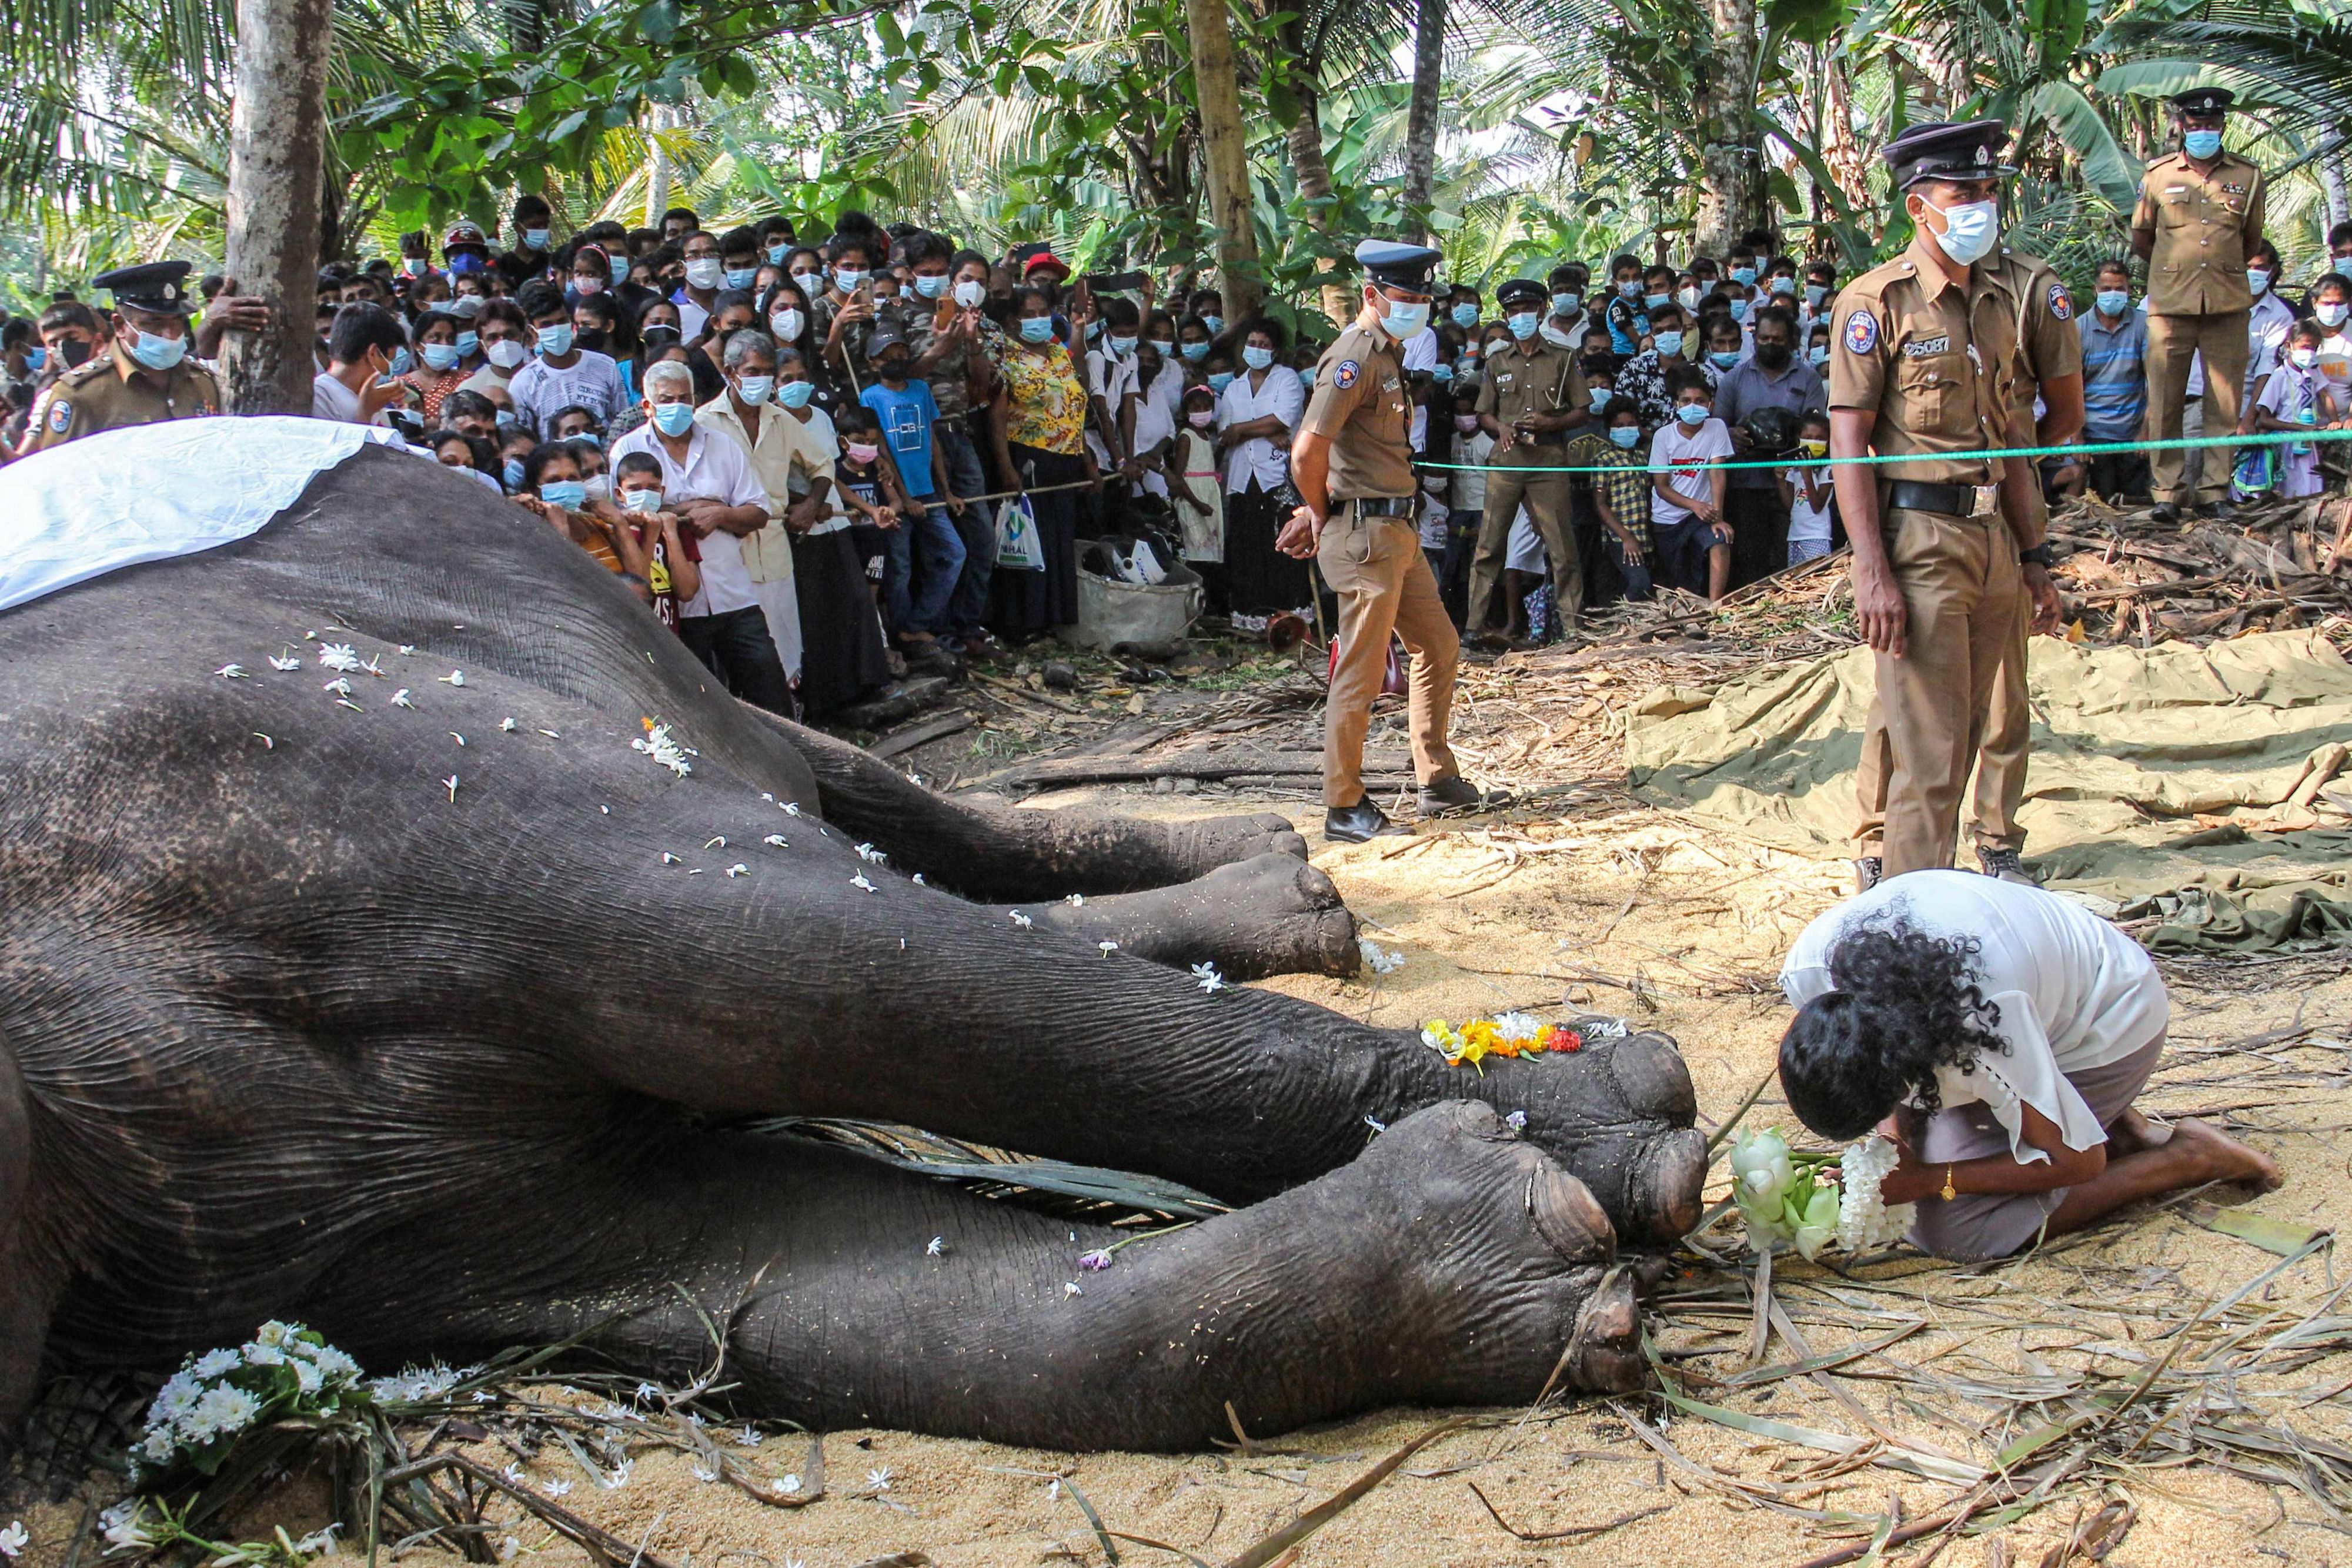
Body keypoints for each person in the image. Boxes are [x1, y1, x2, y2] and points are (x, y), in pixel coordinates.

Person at [1776, 873, 2281, 1261]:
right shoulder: (1809, 972)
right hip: (2031, 1005)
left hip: (2109, 1020)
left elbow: (2079, 1165)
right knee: (1929, 1152)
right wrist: (1896, 1142)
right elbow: (1877, 1054)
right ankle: (2106, 1121)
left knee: (1956, 1227)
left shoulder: (1981, 1025)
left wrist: (1929, 1179)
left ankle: (2187, 1157)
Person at [1831, 121, 2044, 887]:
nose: (1982, 206)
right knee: (1929, 755)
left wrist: (2033, 555)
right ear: (1919, 207)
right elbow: (1847, 443)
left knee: (1968, 733)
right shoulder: (1877, 302)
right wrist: (1871, 572)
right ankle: (1910, 923)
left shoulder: (1997, 299)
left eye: (1988, 191)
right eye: (1964, 194)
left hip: (1991, 541)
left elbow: (2011, 436)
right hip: (1920, 540)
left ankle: (1936, 902)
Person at [1281, 239, 1501, 843]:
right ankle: (1344, 805)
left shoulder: (1388, 355)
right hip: (1366, 536)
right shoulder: (1353, 356)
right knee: (1361, 672)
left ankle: (1437, 779)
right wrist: (1321, 513)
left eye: (1423, 299)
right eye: (1406, 297)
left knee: (1439, 645)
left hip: (1396, 530)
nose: (1417, 307)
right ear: (1372, 295)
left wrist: (1320, 507)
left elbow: (1353, 453)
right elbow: (1307, 452)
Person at [610, 359, 791, 713]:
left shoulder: (722, 445)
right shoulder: (627, 450)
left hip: (733, 591)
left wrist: (721, 513)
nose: (677, 406)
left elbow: (758, 511)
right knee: (700, 704)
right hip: (675, 602)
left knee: (768, 688)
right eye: (667, 399)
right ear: (647, 405)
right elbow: (627, 517)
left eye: (684, 398)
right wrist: (686, 510)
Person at [2132, 86, 2266, 522]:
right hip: (2171, 305)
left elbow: (2251, 240)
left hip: (2227, 304)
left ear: (2222, 125)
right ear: (2182, 125)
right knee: (2165, 401)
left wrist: (2217, 271)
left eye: (2210, 124)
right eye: (2195, 124)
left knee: (2223, 403)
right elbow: (2142, 238)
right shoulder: (2158, 175)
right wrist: (2177, 270)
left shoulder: (2248, 175)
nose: (2203, 130)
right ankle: (2166, 493)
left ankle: (2214, 491)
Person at [1466, 278, 1586, 644]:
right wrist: (1500, 427)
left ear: (1541, 311)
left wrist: (1552, 423)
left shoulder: (1564, 358)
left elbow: (1583, 410)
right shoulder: (1496, 360)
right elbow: (1484, 414)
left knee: (1562, 547)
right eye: (1514, 311)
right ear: (1506, 316)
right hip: (1506, 462)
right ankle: (1473, 626)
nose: (1521, 316)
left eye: (1528, 309)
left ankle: (1572, 627)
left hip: (1548, 461)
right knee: (1489, 546)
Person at [697, 328, 812, 680]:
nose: (761, 380)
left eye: (767, 372)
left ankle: (792, 706)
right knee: (745, 651)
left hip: (775, 548)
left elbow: (822, 465)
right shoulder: (703, 423)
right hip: (729, 554)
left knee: (787, 645)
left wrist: (811, 503)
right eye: (752, 372)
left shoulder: (780, 419)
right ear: (730, 373)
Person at [986, 284, 1095, 643]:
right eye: (1028, 314)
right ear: (1014, 320)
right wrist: (1006, 468)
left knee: (1057, 539)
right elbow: (997, 417)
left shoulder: (1059, 352)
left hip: (1066, 459)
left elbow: (1077, 402)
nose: (1037, 319)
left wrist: (1088, 463)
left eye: (1043, 312)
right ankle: (1023, 624)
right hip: (1028, 457)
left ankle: (1052, 619)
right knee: (1029, 539)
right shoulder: (1006, 355)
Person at [32, 263, 223, 449]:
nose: (169, 333)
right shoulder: (80, 395)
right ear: (120, 326)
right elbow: (61, 467)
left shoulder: (202, 382)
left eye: (177, 320)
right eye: (153, 323)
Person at [860, 324, 968, 654]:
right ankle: (900, 634)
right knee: (900, 567)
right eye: (887, 356)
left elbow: (932, 440)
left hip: (928, 492)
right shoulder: (870, 397)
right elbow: (881, 450)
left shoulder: (920, 389)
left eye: (901, 353)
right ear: (873, 362)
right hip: (895, 497)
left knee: (955, 553)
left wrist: (946, 491)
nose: (896, 359)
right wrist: (904, 498)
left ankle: (916, 624)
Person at [1712, 303, 1826, 586]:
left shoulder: (1809, 378)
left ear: (1791, 341)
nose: (1770, 344)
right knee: (1750, 557)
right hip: (1746, 484)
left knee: (1789, 557)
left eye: (1777, 339)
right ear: (1754, 339)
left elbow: (1817, 429)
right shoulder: (1734, 379)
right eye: (1764, 338)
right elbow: (1715, 430)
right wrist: (1731, 435)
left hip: (1794, 484)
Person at [1648, 367, 1735, 599]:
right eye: (1686, 401)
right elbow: (1661, 487)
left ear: (1710, 405)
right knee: (1676, 580)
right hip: (1668, 518)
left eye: (1700, 401)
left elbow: (1717, 473)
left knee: (1720, 541)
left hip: (1703, 515)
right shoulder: (1663, 436)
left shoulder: (1717, 428)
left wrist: (1718, 518)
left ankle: (1715, 606)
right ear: (1676, 405)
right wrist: (1694, 505)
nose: (1692, 406)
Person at [506, 282, 629, 438]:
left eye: (561, 321)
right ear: (533, 331)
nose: (556, 329)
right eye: (547, 325)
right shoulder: (524, 383)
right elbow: (526, 441)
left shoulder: (606, 366)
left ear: (570, 322)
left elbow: (622, 424)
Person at [2075, 260, 2152, 500]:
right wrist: (2077, 439)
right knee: (2102, 502)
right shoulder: (2078, 329)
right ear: (2095, 290)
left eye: (2120, 289)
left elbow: (2153, 383)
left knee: (2134, 504)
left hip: (2133, 436)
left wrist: (2146, 432)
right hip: (2095, 436)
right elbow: (2071, 388)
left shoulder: (2143, 325)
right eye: (2106, 289)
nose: (2113, 295)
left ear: (2129, 291)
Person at [2244, 320, 2340, 499]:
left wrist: (2335, 422)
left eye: (2314, 349)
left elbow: (2325, 396)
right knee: (2290, 490)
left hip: (2308, 441)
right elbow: (2264, 419)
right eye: (2305, 347)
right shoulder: (2279, 376)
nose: (2309, 353)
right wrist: (2300, 428)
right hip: (2286, 443)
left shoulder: (2313, 372)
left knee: (2311, 485)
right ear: (2289, 346)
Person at [310, 302, 410, 426]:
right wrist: (366, 412)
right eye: (390, 360)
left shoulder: (372, 399)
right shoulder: (319, 396)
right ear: (373, 354)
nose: (391, 371)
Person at [1170, 383, 1225, 567]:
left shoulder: (1205, 436)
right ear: (1186, 412)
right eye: (1196, 408)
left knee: (1209, 553)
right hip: (1193, 498)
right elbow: (1178, 478)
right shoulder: (1186, 437)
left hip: (1208, 495)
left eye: (1206, 408)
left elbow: (1210, 464)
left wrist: (1223, 446)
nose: (1202, 412)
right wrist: (1198, 504)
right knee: (1196, 549)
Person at [1778, 410, 1836, 567]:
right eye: (1808, 438)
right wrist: (1780, 480)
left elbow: (1817, 506)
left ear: (1828, 442)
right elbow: (1789, 505)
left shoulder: (1828, 469)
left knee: (1813, 576)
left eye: (1820, 439)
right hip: (1795, 535)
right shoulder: (1794, 468)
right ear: (1799, 439)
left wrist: (1807, 474)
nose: (1813, 442)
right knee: (1796, 579)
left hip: (1817, 536)